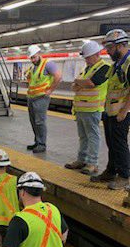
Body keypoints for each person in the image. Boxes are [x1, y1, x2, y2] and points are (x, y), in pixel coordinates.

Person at [91, 29, 130, 190]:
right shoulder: (117, 64)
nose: (108, 51)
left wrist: (124, 111)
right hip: (111, 112)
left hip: (121, 112)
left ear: (121, 45)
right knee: (112, 143)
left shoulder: (129, 63)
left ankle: (124, 176)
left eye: (110, 48)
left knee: (119, 144)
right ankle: (111, 171)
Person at [66, 41, 109, 176]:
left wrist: (79, 82)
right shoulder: (86, 69)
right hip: (81, 109)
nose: (86, 60)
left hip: (93, 109)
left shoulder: (104, 68)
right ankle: (81, 160)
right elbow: (74, 87)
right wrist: (80, 82)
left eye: (88, 57)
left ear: (97, 54)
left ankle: (93, 163)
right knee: (83, 137)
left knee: (93, 136)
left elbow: (91, 83)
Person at [25, 45, 62, 154]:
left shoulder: (48, 64)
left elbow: (58, 76)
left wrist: (50, 90)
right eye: (31, 58)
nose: (32, 60)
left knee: (40, 121)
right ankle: (37, 141)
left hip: (41, 98)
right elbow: (33, 81)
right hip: (31, 98)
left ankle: (42, 144)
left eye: (34, 57)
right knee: (33, 121)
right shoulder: (33, 67)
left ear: (39, 54)